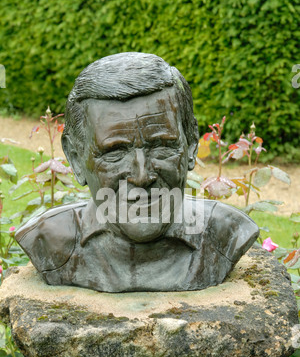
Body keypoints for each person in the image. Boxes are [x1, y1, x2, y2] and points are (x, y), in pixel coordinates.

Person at [15, 53, 259, 292]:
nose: (142, 176)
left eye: (162, 146)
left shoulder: (227, 234)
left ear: (191, 144)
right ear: (77, 159)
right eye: (115, 152)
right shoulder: (48, 241)